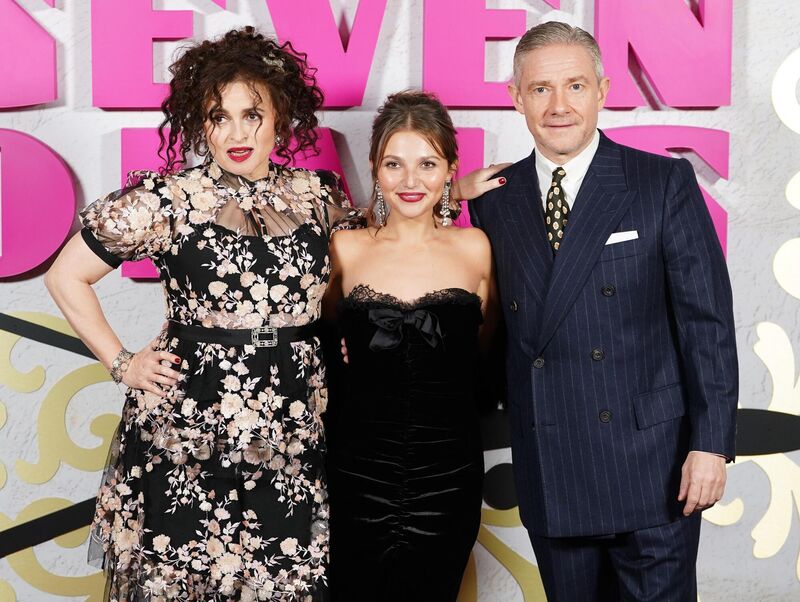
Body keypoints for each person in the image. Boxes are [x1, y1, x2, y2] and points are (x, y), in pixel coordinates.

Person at [45, 27, 356, 601]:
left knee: (285, 582)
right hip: (190, 423)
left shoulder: (318, 196)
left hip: (293, 423)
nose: (237, 133)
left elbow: (374, 263)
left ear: (280, 116)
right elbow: (65, 275)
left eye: (251, 114)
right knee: (185, 579)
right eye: (219, 117)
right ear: (199, 123)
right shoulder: (166, 200)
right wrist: (122, 363)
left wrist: (450, 192)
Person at [468, 22, 738, 602]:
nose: (559, 106)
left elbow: (706, 324)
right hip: (553, 462)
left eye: (575, 86)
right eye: (540, 89)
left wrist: (711, 444)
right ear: (516, 97)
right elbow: (487, 326)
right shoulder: (494, 199)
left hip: (656, 468)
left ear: (603, 89)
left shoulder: (662, 181)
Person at [323, 90, 498, 601]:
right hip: (356, 471)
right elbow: (324, 346)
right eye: (394, 164)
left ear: (449, 169)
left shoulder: (476, 248)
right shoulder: (345, 246)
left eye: (427, 164)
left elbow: (486, 353)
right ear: (376, 169)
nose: (410, 180)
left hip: (449, 473)